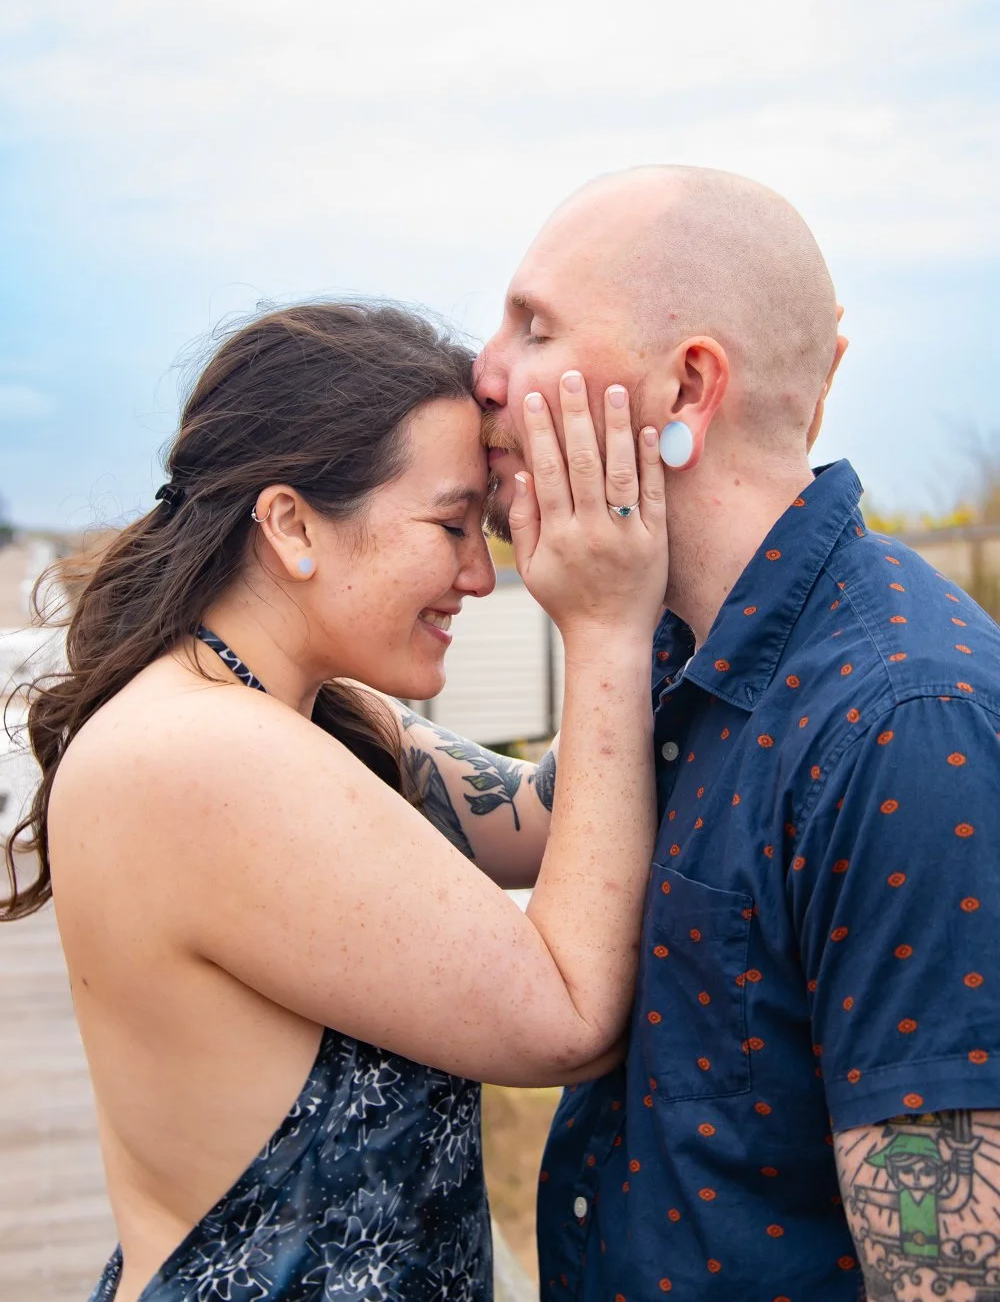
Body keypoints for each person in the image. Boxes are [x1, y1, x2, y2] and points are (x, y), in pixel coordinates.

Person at [2, 301, 669, 1302]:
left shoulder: (304, 713)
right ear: (291, 524)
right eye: (451, 526)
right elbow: (566, 1018)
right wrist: (608, 629)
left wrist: (653, 554)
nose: (480, 577)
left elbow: (543, 814)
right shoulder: (202, 753)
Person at [467, 165, 1000, 1300]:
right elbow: (513, 815)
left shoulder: (899, 720)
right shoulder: (682, 651)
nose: (485, 371)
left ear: (687, 387)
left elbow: (946, 1274)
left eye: (533, 326)